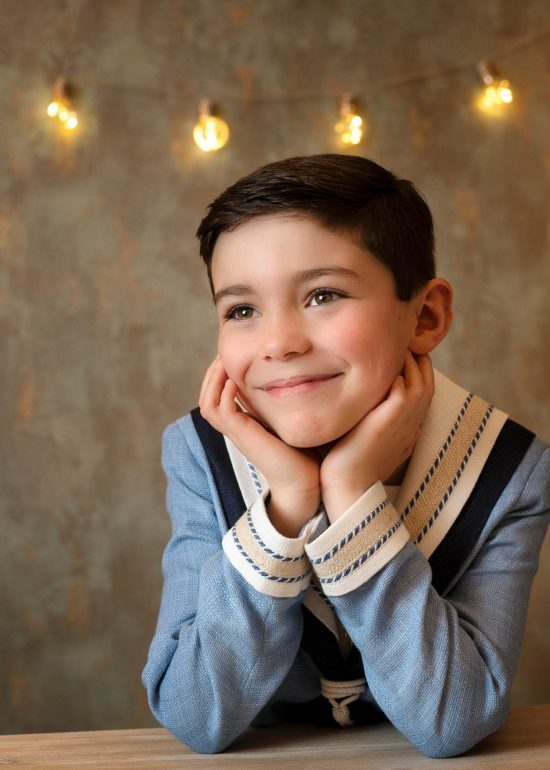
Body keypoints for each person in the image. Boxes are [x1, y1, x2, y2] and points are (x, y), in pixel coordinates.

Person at [142, 154, 550, 757]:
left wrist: (352, 493)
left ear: (426, 316)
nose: (279, 343)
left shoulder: (509, 470)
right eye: (242, 310)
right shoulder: (199, 454)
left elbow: (454, 720)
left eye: (323, 295)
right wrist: (286, 506)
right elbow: (194, 713)